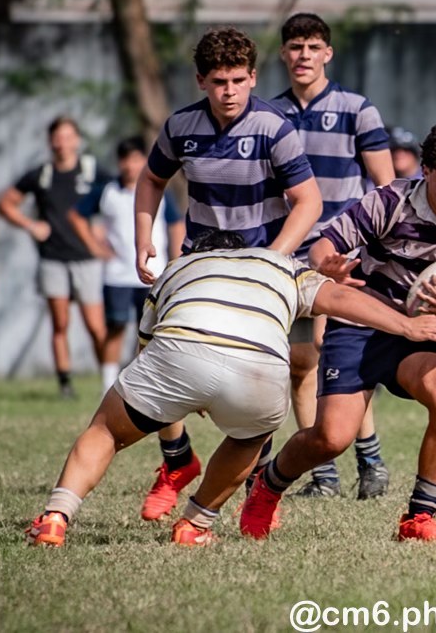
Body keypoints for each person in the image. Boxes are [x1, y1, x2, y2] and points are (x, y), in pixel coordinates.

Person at [25, 230, 436, 547]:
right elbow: (341, 300)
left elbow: (148, 346)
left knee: (105, 430)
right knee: (250, 436)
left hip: (179, 352)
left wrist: (170, 398)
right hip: (259, 368)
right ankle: (195, 525)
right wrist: (406, 324)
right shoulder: (281, 264)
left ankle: (56, 517)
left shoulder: (178, 268)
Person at [238, 123, 436, 544]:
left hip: (424, 332)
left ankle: (418, 519)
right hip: (362, 324)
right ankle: (267, 488)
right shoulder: (390, 202)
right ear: (426, 170)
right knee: (331, 439)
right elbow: (324, 246)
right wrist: (329, 265)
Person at [131, 26, 323, 521]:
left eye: (239, 80)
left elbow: (308, 201)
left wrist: (274, 261)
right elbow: (151, 179)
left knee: (276, 375)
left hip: (264, 264)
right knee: (150, 358)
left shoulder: (274, 128)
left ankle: (258, 482)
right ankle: (176, 462)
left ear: (254, 78)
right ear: (201, 81)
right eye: (219, 81)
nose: (230, 91)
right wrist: (143, 238)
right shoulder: (181, 127)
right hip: (199, 264)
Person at [269, 12, 396, 499]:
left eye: (313, 46)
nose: (303, 55)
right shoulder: (267, 114)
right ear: (283, 54)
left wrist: (377, 249)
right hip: (289, 251)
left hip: (344, 250)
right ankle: (324, 476)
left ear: (328, 54)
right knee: (300, 362)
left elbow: (386, 189)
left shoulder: (356, 109)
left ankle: (371, 460)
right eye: (295, 46)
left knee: (332, 356)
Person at [0, 116, 111, 399]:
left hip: (86, 258)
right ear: (50, 141)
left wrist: (103, 229)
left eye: (68, 136)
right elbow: (6, 203)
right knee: (60, 324)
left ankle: (109, 382)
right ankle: (65, 385)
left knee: (97, 326)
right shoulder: (41, 175)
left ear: (77, 140)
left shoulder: (92, 171)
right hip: (53, 258)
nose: (62, 142)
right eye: (57, 137)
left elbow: (122, 195)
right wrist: (30, 225)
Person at [67, 136, 186, 393]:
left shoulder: (158, 191)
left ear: (144, 160)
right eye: (125, 160)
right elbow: (76, 216)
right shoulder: (107, 191)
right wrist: (95, 247)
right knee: (116, 327)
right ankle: (108, 386)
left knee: (152, 332)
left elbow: (176, 224)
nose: (130, 166)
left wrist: (177, 260)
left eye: (135, 160)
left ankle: (146, 384)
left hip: (155, 274)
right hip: (117, 275)